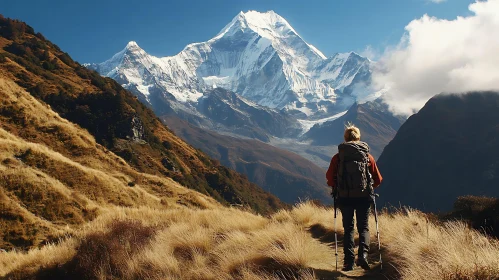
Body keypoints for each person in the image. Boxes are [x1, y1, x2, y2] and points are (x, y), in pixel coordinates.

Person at [326, 124, 382, 271]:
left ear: (345, 138)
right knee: (363, 227)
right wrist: (369, 187)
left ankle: (348, 262)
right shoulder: (367, 157)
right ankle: (363, 255)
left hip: (345, 198)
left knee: (348, 228)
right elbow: (378, 179)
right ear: (358, 137)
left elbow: (329, 178)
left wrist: (337, 187)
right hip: (363, 197)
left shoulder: (338, 157)